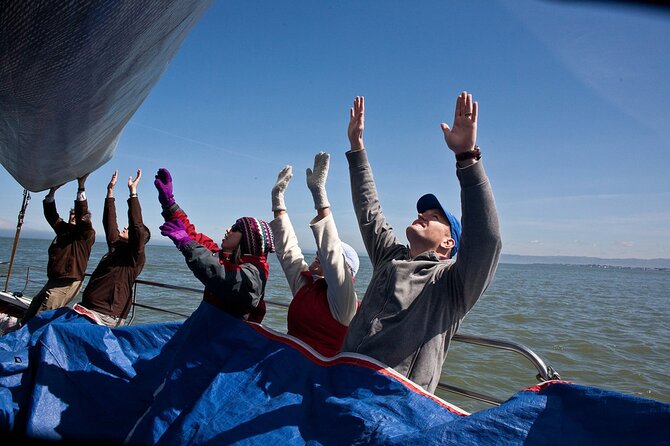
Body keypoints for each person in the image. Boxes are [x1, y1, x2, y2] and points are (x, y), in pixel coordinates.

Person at [342, 92, 502, 393]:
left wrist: (467, 158)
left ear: (448, 244)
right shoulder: (389, 257)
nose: (422, 215)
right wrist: (357, 148)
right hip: (340, 378)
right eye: (421, 212)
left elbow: (486, 240)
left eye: (434, 216)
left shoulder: (451, 284)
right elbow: (369, 210)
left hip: (393, 404)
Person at [155, 168, 274, 322]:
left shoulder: (255, 272)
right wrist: (169, 203)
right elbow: (191, 234)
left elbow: (224, 276)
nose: (228, 230)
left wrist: (186, 243)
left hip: (228, 341)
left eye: (235, 229)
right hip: (208, 330)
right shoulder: (222, 256)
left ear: (248, 241)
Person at [270, 152, 360, 357]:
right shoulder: (308, 287)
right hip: (285, 360)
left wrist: (320, 195)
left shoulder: (344, 303)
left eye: (323, 255)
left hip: (318, 374)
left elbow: (331, 253)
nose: (319, 254)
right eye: (318, 253)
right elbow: (287, 251)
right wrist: (278, 201)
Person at [74, 169, 150, 327]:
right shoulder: (116, 246)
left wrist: (133, 193)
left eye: (128, 229)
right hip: (89, 307)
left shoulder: (135, 256)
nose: (125, 227)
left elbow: (136, 226)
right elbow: (109, 222)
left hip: (106, 315)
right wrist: (110, 191)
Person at [20, 174, 95, 326]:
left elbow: (83, 219)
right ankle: (20, 333)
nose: (72, 220)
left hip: (67, 282)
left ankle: (32, 343)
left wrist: (81, 187)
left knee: (44, 314)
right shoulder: (64, 230)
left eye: (75, 218)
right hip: (54, 279)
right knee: (35, 305)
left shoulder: (86, 235)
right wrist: (52, 193)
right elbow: (51, 215)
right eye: (71, 217)